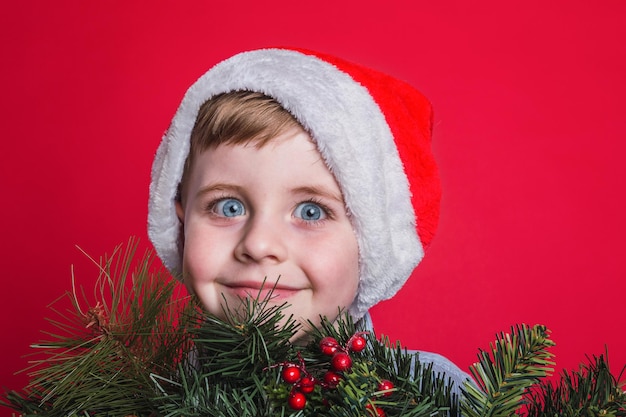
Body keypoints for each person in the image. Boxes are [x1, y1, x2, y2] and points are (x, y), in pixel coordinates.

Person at [147, 48, 471, 389]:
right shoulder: (138, 400)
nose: (258, 245)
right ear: (181, 220)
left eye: (310, 211)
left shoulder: (439, 396)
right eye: (228, 207)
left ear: (371, 242)